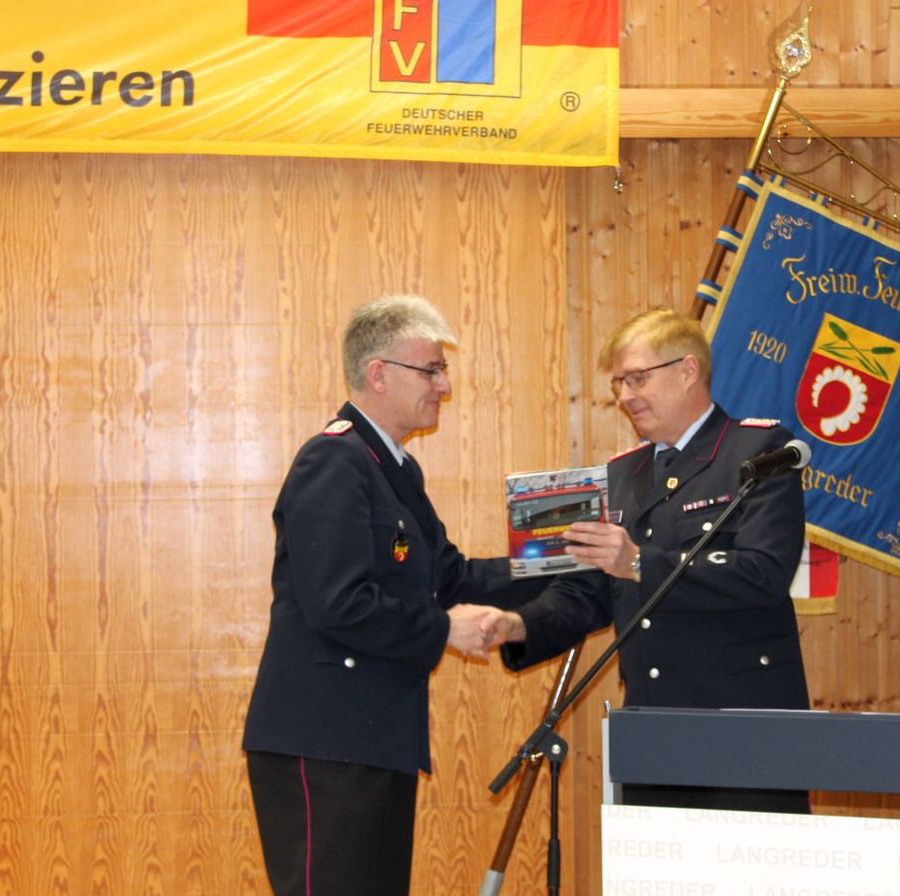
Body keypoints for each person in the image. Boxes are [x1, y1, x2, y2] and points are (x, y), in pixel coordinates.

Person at [242, 294, 532, 895]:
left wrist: (556, 560)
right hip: (325, 743)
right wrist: (444, 630)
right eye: (432, 369)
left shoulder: (393, 468)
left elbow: (451, 578)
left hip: (372, 739)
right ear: (379, 374)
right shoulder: (334, 459)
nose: (444, 385)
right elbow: (337, 602)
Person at [490, 308, 811, 813]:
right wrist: (516, 626)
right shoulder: (621, 475)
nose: (625, 396)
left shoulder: (759, 452)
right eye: (619, 383)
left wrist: (640, 562)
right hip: (653, 727)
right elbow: (591, 593)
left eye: (637, 378)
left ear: (688, 371)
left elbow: (763, 573)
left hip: (746, 729)